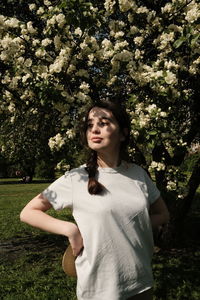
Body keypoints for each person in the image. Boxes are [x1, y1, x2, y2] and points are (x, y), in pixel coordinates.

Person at [20, 99, 170, 300]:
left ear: (123, 133)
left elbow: (163, 213)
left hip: (141, 283)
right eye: (90, 125)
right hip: (99, 290)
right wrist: (70, 230)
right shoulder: (75, 178)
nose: (94, 130)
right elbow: (29, 212)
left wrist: (133, 226)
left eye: (104, 123)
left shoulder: (139, 174)